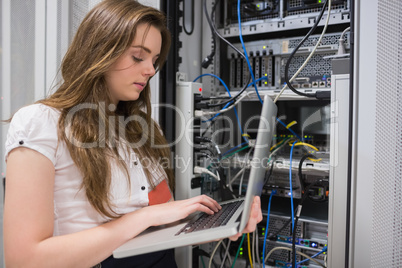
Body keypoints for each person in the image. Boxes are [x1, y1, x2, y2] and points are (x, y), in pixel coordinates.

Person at [3, 0, 263, 267]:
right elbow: (23, 259)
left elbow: (161, 224)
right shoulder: (41, 122)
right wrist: (142, 217)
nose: (150, 70)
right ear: (99, 51)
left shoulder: (144, 129)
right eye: (138, 57)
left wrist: (219, 225)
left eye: (154, 60)